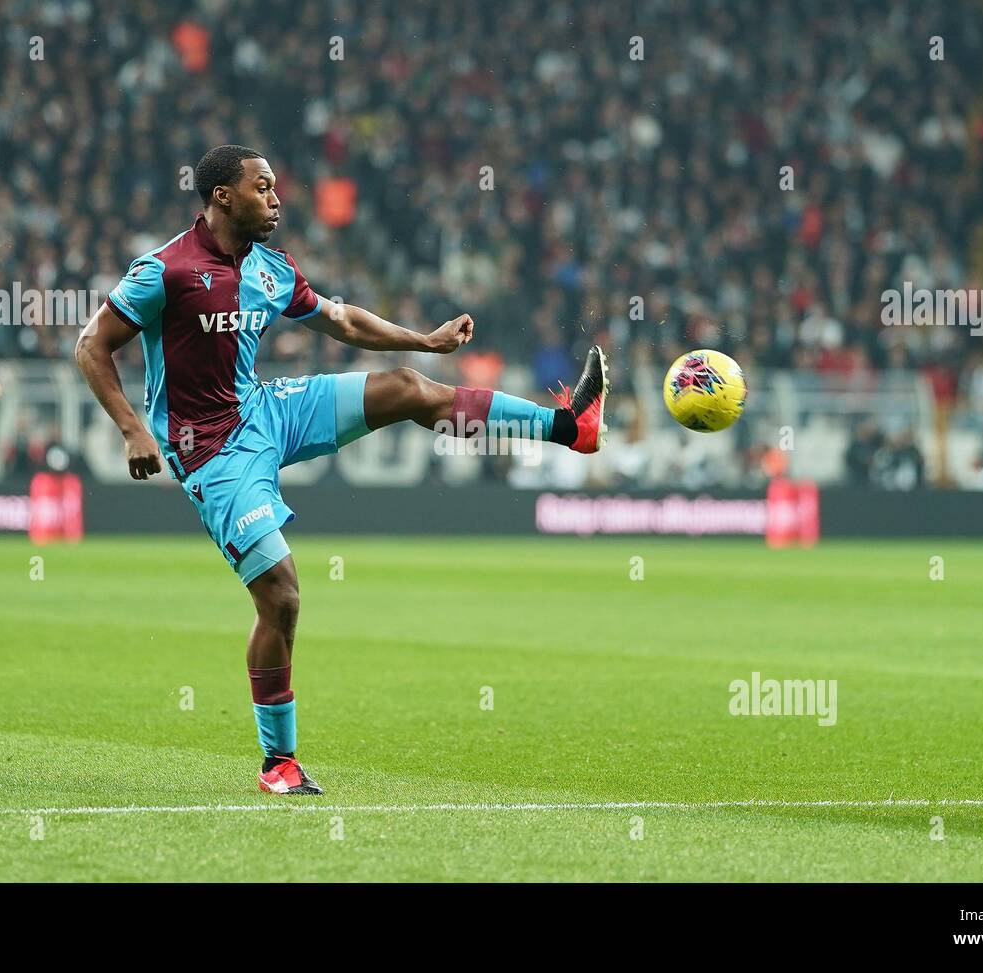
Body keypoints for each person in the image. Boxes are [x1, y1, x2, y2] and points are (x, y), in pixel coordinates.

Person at [74, 145, 609, 795]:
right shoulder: (164, 270)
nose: (275, 199)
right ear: (221, 196)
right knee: (282, 594)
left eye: (275, 187)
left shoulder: (270, 269)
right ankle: (279, 762)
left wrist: (425, 339)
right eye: (262, 187)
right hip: (210, 453)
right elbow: (92, 345)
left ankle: (570, 428)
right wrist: (133, 428)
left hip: (266, 413)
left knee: (408, 387)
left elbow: (341, 319)